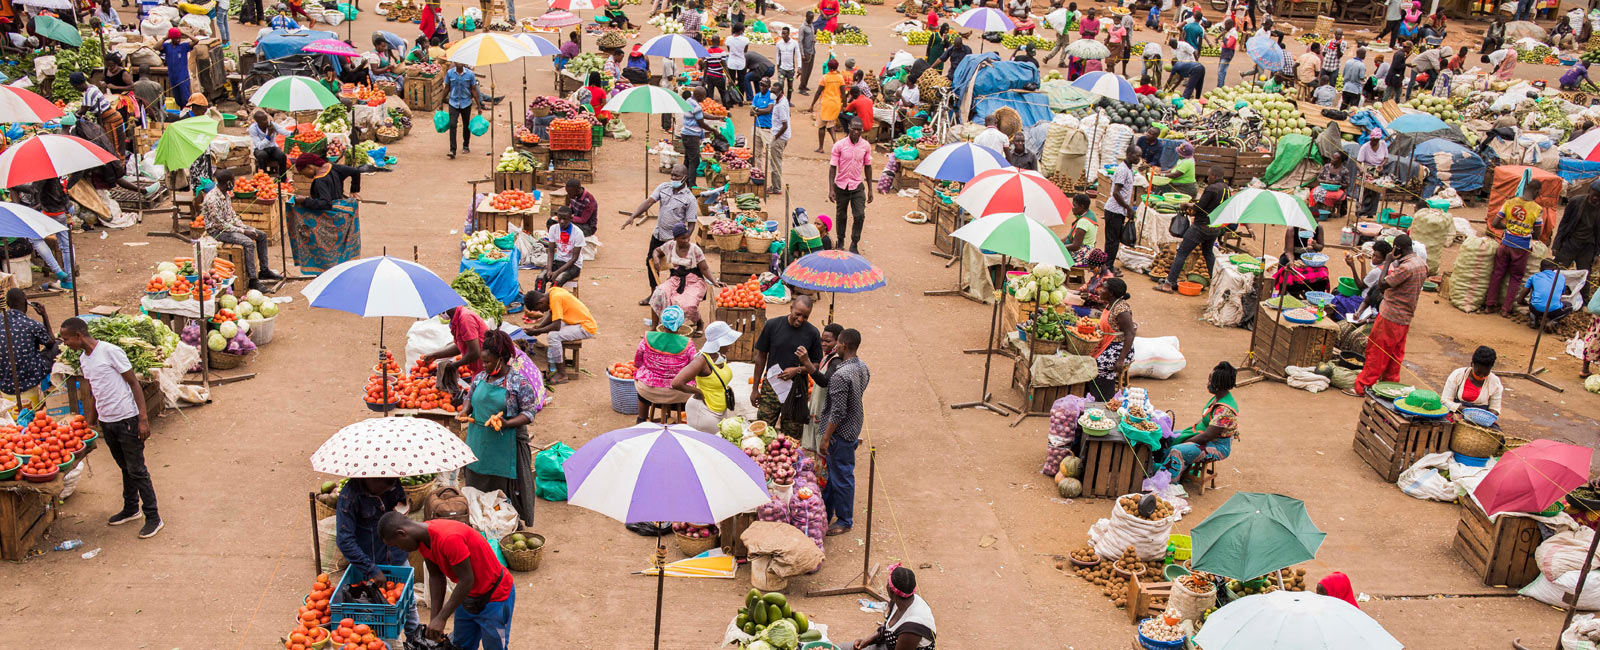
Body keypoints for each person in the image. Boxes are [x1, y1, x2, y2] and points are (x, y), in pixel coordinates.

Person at [61, 317, 159, 538]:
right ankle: (131, 508)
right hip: (108, 422)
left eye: (66, 339)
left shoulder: (110, 351)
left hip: (127, 419)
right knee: (125, 467)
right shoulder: (84, 360)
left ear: (79, 336)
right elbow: (96, 391)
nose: (65, 342)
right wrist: (91, 422)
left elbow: (134, 382)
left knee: (137, 470)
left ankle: (153, 516)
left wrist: (142, 419)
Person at [379, 514, 515, 650]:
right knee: (461, 645)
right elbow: (436, 577)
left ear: (402, 533)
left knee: (494, 646)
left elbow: (467, 580)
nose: (400, 549)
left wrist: (442, 618)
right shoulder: (423, 540)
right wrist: (435, 619)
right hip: (468, 597)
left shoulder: (448, 538)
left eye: (396, 545)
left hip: (495, 596)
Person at [453, 329, 541, 525]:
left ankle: (506, 527)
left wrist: (506, 423)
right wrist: (465, 411)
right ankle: (481, 526)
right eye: (483, 361)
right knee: (476, 486)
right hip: (478, 443)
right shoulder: (480, 378)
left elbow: (528, 413)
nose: (484, 365)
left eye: (488, 362)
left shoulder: (518, 382)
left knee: (501, 493)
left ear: (501, 359)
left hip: (504, 446)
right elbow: (470, 398)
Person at [334, 477, 422, 641]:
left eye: (391, 486)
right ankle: (379, 641)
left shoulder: (392, 484)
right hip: (369, 560)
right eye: (383, 485)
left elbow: (400, 504)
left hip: (397, 557)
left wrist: (402, 510)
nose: (387, 490)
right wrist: (371, 569)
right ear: (370, 478)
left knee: (408, 603)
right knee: (372, 610)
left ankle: (416, 641)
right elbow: (345, 540)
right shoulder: (350, 496)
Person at [1351, 235, 1425, 396]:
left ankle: (1362, 387)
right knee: (1394, 356)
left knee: (1376, 353)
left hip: (1390, 315)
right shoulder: (1420, 263)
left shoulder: (1406, 268)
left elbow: (1382, 284)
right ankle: (1388, 387)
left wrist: (1388, 262)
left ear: (1397, 249)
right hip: (1405, 317)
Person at [815, 328, 867, 535]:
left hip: (841, 433)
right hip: (854, 425)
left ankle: (845, 520)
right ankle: (827, 511)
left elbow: (837, 412)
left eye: (837, 343)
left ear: (843, 345)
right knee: (835, 474)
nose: (834, 346)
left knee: (843, 475)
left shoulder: (839, 376)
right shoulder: (862, 367)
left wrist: (826, 438)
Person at [751, 296, 823, 439]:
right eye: (798, 314)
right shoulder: (772, 325)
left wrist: (797, 370)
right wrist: (754, 389)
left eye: (805, 317)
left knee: (792, 436)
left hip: (796, 390)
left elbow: (816, 364)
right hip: (771, 387)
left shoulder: (812, 333)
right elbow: (761, 357)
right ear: (791, 308)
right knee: (762, 431)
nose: (801, 319)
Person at [625, 164, 698, 303]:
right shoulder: (664, 188)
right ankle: (654, 294)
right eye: (672, 174)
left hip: (673, 240)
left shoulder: (690, 199)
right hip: (658, 234)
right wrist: (633, 216)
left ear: (685, 177)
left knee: (674, 269)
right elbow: (649, 202)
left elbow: (691, 224)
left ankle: (671, 297)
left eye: (676, 175)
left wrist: (683, 242)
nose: (673, 178)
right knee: (651, 263)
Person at [1159, 361, 1239, 477]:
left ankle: (1168, 480)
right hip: (1204, 434)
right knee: (1168, 436)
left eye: (1210, 381)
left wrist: (1186, 441)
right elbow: (1205, 420)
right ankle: (1165, 467)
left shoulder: (1224, 411)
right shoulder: (1219, 398)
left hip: (1218, 445)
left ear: (1217, 385)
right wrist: (1186, 434)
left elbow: (1206, 437)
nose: (1208, 384)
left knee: (1176, 450)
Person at [203, 170, 280, 290]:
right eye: (233, 180)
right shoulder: (212, 199)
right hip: (217, 231)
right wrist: (243, 232)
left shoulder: (225, 194)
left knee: (261, 235)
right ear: (228, 183)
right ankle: (253, 279)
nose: (235, 182)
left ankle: (264, 270)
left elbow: (232, 216)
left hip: (229, 227)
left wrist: (243, 227)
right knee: (248, 242)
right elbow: (220, 224)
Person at [1156, 164, 1227, 293]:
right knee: (1208, 254)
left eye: (1209, 175)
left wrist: (1186, 205)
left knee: (1182, 253)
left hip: (1201, 227)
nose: (1207, 178)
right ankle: (1215, 283)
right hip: (1214, 228)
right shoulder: (1226, 189)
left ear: (1214, 175)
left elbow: (1198, 208)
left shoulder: (1212, 189)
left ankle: (1168, 283)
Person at [1485, 177, 1543, 317]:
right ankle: (1506, 309)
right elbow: (1537, 233)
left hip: (1505, 243)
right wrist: (1524, 229)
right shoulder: (1537, 209)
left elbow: (1495, 222)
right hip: (1521, 247)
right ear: (1536, 191)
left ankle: (1489, 305)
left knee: (1497, 273)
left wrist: (1510, 227)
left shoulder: (1509, 202)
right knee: (1516, 277)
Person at [631, 305, 699, 420]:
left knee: (640, 378)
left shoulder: (648, 338)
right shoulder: (688, 343)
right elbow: (693, 368)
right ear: (680, 324)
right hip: (679, 393)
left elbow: (637, 362)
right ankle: (684, 418)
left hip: (649, 391)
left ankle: (641, 418)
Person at [673, 321, 740, 432]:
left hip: (718, 409)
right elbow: (677, 383)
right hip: (704, 412)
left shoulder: (720, 356)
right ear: (718, 343)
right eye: (727, 342)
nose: (730, 345)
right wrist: (698, 392)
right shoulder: (701, 361)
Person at [522, 287, 597, 385]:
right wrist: (539, 328)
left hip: (585, 327)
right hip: (576, 322)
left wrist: (539, 330)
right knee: (550, 331)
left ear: (541, 302)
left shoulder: (556, 298)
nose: (542, 312)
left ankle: (562, 374)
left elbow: (556, 326)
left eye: (539, 309)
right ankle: (560, 362)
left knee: (553, 336)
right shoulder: (552, 292)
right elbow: (552, 314)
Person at [649, 223, 719, 327]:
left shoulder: (695, 249)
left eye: (687, 237)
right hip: (675, 279)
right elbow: (656, 251)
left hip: (694, 281)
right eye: (683, 238)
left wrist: (714, 281)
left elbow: (705, 268)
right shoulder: (670, 245)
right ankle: (654, 328)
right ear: (675, 238)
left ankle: (699, 322)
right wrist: (656, 259)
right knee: (658, 294)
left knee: (687, 304)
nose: (686, 240)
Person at [852, 566, 936, 649]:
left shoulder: (911, 628)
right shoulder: (899, 601)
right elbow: (887, 628)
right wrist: (868, 640)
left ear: (890, 589)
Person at [0, 289, 55, 414]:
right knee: (57, 346)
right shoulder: (32, 324)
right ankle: (51, 388)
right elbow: (51, 342)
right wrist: (44, 316)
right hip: (28, 380)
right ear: (27, 303)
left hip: (3, 381)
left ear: (7, 304)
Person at [828, 120, 874, 253]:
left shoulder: (865, 146)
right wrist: (831, 189)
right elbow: (832, 168)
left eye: (859, 130)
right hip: (841, 185)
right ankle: (840, 241)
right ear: (849, 127)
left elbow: (868, 167)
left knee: (859, 215)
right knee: (841, 215)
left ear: (862, 131)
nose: (856, 132)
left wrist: (870, 189)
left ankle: (854, 243)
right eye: (854, 129)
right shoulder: (839, 145)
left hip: (857, 185)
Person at [795, 322, 843, 450]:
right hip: (818, 412)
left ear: (839, 341)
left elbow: (824, 381)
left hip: (824, 415)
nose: (823, 344)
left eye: (828, 341)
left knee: (823, 450)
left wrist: (806, 362)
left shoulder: (837, 361)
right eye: (822, 340)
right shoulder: (828, 357)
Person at [421, 304, 486, 395]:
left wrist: (455, 365)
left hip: (486, 366)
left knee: (481, 401)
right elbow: (460, 345)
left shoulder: (465, 319)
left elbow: (475, 352)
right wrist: (435, 355)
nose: (440, 315)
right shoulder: (457, 319)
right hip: (479, 367)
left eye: (440, 313)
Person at [1088, 278, 1135, 400]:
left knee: (1097, 364)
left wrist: (1120, 360)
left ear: (1111, 293)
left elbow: (1130, 333)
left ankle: (1104, 398)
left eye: (1103, 288)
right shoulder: (1110, 304)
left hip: (1120, 348)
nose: (1099, 290)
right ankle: (1091, 394)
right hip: (1107, 344)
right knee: (1086, 358)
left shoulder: (1122, 310)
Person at [1439, 345, 1504, 414]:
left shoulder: (1495, 382)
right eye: (1478, 373)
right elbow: (1445, 401)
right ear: (1472, 364)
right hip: (1456, 412)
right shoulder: (1457, 375)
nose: (1481, 376)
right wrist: (1466, 411)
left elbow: (1495, 409)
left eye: (1485, 373)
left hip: (1481, 417)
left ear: (1490, 368)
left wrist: (1482, 416)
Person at [1516, 259, 1576, 331]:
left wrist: (1524, 303)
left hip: (1536, 309)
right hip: (1554, 311)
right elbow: (1561, 294)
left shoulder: (1534, 277)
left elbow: (1520, 299)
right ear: (1554, 268)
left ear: (1540, 268)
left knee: (1533, 298)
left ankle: (1533, 320)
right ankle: (1553, 321)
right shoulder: (1561, 278)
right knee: (1569, 306)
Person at [444, 62, 486, 159]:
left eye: (461, 61)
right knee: (452, 125)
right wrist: (440, 102)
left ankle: (466, 145)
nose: (459, 63)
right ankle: (452, 150)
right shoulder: (450, 73)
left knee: (466, 124)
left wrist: (479, 105)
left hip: (466, 103)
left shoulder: (470, 74)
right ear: (455, 62)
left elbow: (473, 89)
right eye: (457, 61)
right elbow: (447, 88)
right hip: (453, 102)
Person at [675, 86, 714, 183]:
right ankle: (691, 184)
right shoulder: (696, 106)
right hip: (692, 136)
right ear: (697, 95)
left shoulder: (689, 100)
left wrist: (717, 117)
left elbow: (702, 114)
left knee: (688, 159)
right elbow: (701, 122)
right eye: (703, 96)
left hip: (686, 134)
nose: (704, 98)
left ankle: (683, 181)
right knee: (694, 161)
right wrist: (714, 130)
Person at [543, 207, 585, 290]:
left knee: (557, 282)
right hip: (559, 261)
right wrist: (549, 269)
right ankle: (539, 301)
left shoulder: (578, 233)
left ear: (571, 218)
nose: (562, 221)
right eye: (560, 219)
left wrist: (557, 272)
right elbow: (551, 251)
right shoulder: (553, 229)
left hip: (573, 266)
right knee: (541, 278)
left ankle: (553, 301)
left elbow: (574, 258)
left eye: (565, 219)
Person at [809, 59, 846, 152]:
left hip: (825, 104)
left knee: (821, 126)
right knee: (830, 124)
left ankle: (821, 147)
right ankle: (835, 143)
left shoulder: (825, 78)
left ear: (828, 67)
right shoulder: (840, 78)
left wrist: (812, 105)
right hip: (835, 104)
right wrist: (844, 105)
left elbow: (818, 92)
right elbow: (843, 93)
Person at [1307, 150, 1351, 214]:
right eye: (1332, 157)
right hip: (1324, 188)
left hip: (1337, 190)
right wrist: (1326, 181)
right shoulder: (1326, 167)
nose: (1332, 159)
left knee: (1329, 196)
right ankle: (1317, 211)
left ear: (1340, 160)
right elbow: (1319, 178)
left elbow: (1346, 184)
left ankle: (1329, 211)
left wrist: (1338, 183)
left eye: (1334, 158)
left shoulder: (1344, 170)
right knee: (1314, 193)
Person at [248, 111, 291, 175]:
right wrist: (268, 135)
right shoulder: (253, 128)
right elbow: (259, 146)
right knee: (262, 155)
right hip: (259, 149)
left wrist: (293, 133)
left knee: (282, 156)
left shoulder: (271, 124)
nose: (266, 121)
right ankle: (264, 177)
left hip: (272, 147)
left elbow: (284, 132)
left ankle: (283, 178)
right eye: (264, 120)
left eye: (266, 119)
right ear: (258, 122)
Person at [767, 82, 792, 193]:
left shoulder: (781, 105)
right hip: (782, 136)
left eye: (775, 92)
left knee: (775, 163)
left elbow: (785, 125)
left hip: (780, 138)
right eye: (772, 91)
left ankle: (776, 187)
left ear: (780, 92)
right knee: (775, 161)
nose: (772, 93)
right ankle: (775, 186)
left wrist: (775, 137)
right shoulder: (782, 100)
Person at [160, 28, 196, 104]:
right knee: (178, 99)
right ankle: (181, 112)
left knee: (186, 98)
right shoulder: (167, 46)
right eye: (176, 38)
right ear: (171, 39)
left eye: (179, 38)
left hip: (182, 77)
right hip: (172, 77)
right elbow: (156, 47)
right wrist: (165, 38)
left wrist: (186, 34)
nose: (178, 40)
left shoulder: (184, 46)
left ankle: (187, 113)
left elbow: (196, 41)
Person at [726, 24, 750, 105]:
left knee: (731, 81)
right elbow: (745, 51)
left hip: (731, 61)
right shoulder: (745, 40)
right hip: (741, 62)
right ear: (740, 31)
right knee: (741, 81)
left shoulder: (729, 39)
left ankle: (731, 99)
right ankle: (740, 99)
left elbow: (729, 49)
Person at [798, 11, 818, 94]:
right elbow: (800, 41)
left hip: (812, 51)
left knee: (809, 70)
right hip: (806, 52)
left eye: (812, 18)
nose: (812, 19)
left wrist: (813, 40)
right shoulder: (803, 27)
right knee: (805, 71)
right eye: (810, 17)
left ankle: (804, 85)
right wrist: (802, 54)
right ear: (806, 17)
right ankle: (801, 88)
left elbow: (811, 36)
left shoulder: (811, 25)